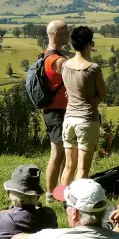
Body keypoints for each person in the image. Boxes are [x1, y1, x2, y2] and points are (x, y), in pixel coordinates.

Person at [60, 26, 107, 185]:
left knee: (68, 166)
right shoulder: (93, 68)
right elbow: (102, 93)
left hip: (69, 120)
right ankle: (76, 205)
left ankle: (63, 201)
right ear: (88, 44)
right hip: (86, 120)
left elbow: (69, 90)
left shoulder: (65, 65)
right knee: (82, 169)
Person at [42, 20, 69, 203]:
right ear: (56, 35)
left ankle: (58, 190)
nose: (69, 36)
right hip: (57, 112)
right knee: (58, 152)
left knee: (63, 153)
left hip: (56, 111)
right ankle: (51, 193)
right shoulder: (56, 60)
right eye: (66, 33)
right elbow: (75, 70)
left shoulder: (47, 55)